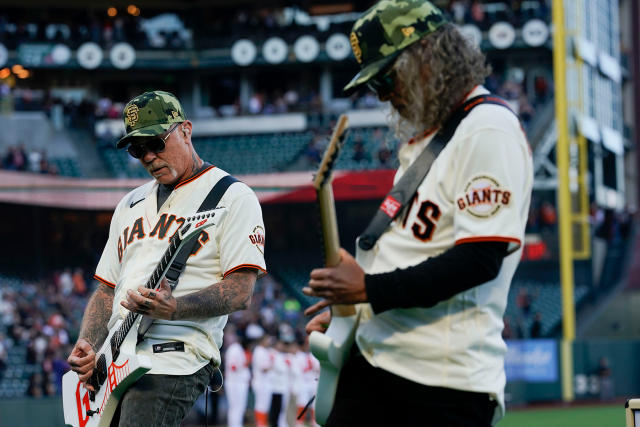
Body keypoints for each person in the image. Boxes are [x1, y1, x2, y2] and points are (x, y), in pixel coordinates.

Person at [303, 1, 533, 426]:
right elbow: (415, 252)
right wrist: (357, 309)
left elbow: (478, 260)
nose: (384, 94)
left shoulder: (487, 129)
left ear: (428, 58)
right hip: (381, 365)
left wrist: (368, 290)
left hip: (439, 384)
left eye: (387, 78)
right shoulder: (427, 140)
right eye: (375, 86)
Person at [66, 91, 267, 426]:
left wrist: (175, 308)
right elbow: (106, 291)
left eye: (156, 143)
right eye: (137, 149)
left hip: (177, 354)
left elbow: (240, 291)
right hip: (113, 361)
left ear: (186, 130)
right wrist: (87, 343)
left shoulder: (232, 196)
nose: (147, 156)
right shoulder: (129, 203)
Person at [224, 333, 251, 427]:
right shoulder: (234, 349)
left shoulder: (239, 349)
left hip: (239, 382)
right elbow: (233, 367)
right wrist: (244, 363)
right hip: (234, 382)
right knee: (235, 407)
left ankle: (237, 424)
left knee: (240, 407)